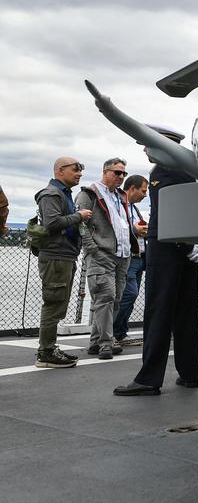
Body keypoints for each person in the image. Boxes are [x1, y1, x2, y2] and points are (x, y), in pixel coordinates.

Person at [114, 125, 198, 396]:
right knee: (185, 312)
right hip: (183, 247)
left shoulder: (165, 172)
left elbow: (172, 211)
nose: (145, 149)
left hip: (167, 247)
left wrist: (184, 242)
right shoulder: (185, 171)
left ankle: (149, 378)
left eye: (147, 144)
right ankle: (189, 373)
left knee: (158, 312)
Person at [34, 158, 92, 368]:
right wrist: (78, 216)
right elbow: (51, 223)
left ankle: (49, 348)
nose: (79, 174)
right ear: (60, 171)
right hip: (56, 257)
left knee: (58, 304)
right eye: (75, 169)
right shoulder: (51, 194)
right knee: (53, 304)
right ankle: (46, 353)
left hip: (64, 256)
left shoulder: (62, 194)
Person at [76, 158, 133, 360]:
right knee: (105, 297)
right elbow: (81, 224)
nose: (121, 177)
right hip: (102, 255)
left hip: (122, 255)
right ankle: (106, 343)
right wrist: (93, 249)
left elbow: (122, 224)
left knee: (114, 299)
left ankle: (96, 341)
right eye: (117, 172)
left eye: (123, 174)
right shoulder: (89, 194)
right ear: (105, 171)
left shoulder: (121, 196)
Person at [112, 174, 149, 346]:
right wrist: (135, 229)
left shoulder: (133, 207)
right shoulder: (121, 204)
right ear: (132, 188)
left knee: (130, 296)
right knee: (129, 294)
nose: (146, 194)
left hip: (139, 257)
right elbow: (118, 227)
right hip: (129, 258)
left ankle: (119, 333)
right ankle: (114, 332)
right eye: (143, 190)